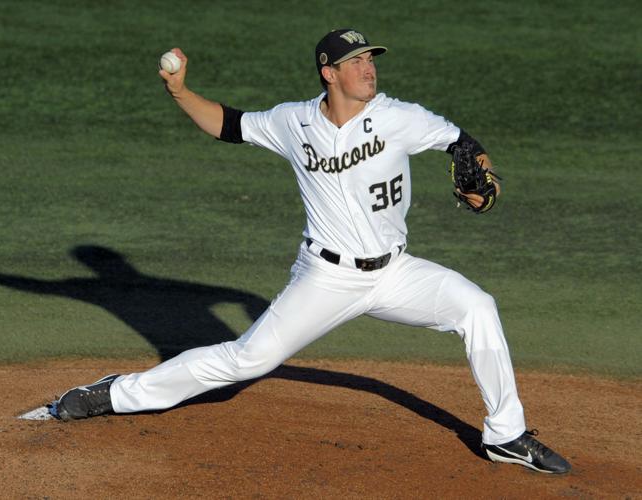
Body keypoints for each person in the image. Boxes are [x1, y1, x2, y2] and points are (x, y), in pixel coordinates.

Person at [53, 29, 571, 474]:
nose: (369, 68)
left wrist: (475, 168)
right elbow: (228, 125)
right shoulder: (292, 122)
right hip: (326, 278)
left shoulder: (398, 117)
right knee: (246, 360)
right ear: (328, 72)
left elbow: (460, 141)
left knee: (476, 306)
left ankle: (505, 435)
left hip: (396, 273)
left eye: (370, 58)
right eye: (356, 61)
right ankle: (117, 393)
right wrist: (180, 92)